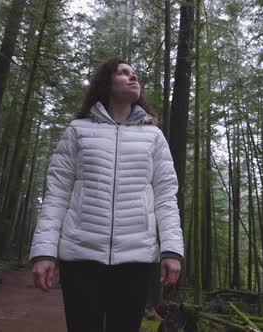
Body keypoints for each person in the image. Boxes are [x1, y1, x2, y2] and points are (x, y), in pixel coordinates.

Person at [29, 57, 184, 332]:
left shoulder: (153, 136)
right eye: (124, 73)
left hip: (136, 259)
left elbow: (165, 197)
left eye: (135, 74)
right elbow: (57, 195)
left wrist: (172, 249)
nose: (133, 77)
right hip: (80, 256)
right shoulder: (78, 131)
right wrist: (44, 252)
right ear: (105, 83)